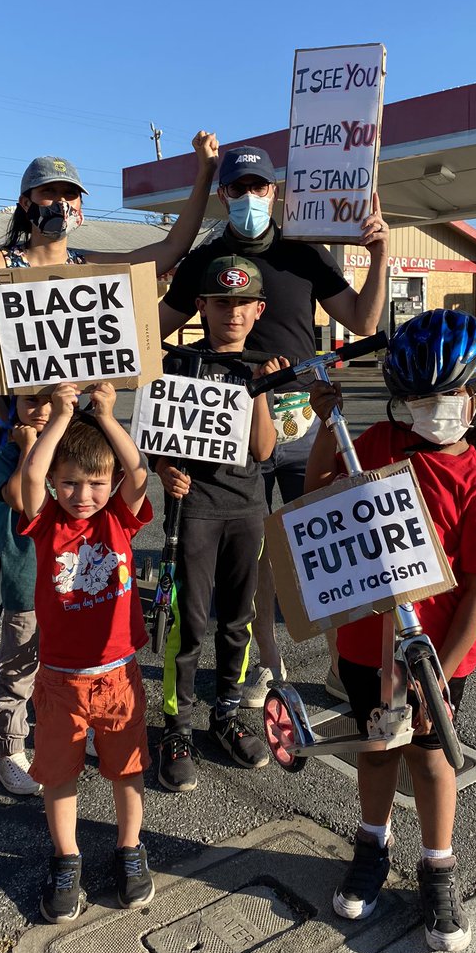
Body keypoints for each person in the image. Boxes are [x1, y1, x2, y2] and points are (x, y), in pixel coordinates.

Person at [0, 135, 217, 701]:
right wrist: (11, 421)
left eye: (68, 195)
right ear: (26, 203)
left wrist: (202, 174)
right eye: (47, 194)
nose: (59, 206)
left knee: (67, 551)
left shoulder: (93, 272)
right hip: (14, 432)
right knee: (8, 552)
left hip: (73, 436)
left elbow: (170, 249)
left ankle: (57, 655)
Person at [304, 309, 476, 953]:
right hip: (368, 644)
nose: (432, 410)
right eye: (418, 399)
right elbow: (318, 493)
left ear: (474, 398)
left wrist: (439, 674)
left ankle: (439, 862)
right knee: (376, 747)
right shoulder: (376, 444)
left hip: (439, 654)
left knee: (430, 756)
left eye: (445, 396)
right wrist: (322, 424)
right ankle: (371, 842)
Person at [159, 144, 389, 705]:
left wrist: (381, 254)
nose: (249, 198)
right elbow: (150, 335)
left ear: (276, 192)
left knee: (327, 541)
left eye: (259, 188)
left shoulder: (303, 253)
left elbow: (363, 319)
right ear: (223, 197)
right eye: (237, 190)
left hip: (308, 419)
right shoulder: (205, 262)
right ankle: (266, 664)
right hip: (232, 428)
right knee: (254, 556)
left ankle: (341, 663)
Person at [19, 380, 153, 924]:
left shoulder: (119, 517)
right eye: (70, 483)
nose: (83, 495)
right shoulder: (46, 520)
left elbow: (139, 472)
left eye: (95, 483)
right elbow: (29, 477)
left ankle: (130, 847)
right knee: (59, 772)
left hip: (118, 672)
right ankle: (66, 856)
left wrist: (107, 414)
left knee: (127, 768)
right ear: (55, 484)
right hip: (60, 679)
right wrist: (60, 415)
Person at [153, 256, 289, 792]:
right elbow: (154, 437)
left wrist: (258, 389)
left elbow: (262, 448)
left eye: (242, 303)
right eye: (221, 302)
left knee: (239, 620)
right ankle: (177, 728)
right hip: (194, 510)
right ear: (202, 307)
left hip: (246, 507)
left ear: (258, 310)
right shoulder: (178, 363)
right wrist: (164, 468)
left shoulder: (263, 366)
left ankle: (226, 713)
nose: (232, 313)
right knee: (187, 623)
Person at [0, 391, 51, 795]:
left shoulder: (73, 446)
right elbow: (17, 497)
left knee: (67, 665)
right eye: (31, 401)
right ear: (14, 408)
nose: (41, 410)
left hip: (72, 584)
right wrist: (29, 447)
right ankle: (9, 751)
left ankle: (73, 731)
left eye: (51, 400)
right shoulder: (6, 455)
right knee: (18, 671)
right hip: (26, 582)